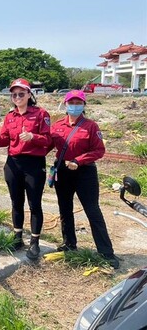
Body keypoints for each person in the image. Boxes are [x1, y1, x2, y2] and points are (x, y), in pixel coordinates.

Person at [50, 90, 119, 268]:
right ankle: (69, 244)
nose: (74, 105)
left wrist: (79, 161)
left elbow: (99, 151)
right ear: (65, 105)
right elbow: (46, 144)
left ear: (83, 105)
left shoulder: (91, 126)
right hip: (63, 171)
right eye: (71, 102)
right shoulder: (57, 126)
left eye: (78, 102)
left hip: (85, 173)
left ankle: (106, 252)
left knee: (92, 211)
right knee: (65, 209)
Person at [0, 78, 51, 260]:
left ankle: (34, 242)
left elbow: (48, 139)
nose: (17, 97)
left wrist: (33, 137)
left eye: (21, 94)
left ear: (29, 94)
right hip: (13, 163)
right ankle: (17, 237)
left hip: (33, 164)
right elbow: (4, 141)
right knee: (16, 202)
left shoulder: (40, 114)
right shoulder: (10, 116)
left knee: (34, 204)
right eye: (14, 94)